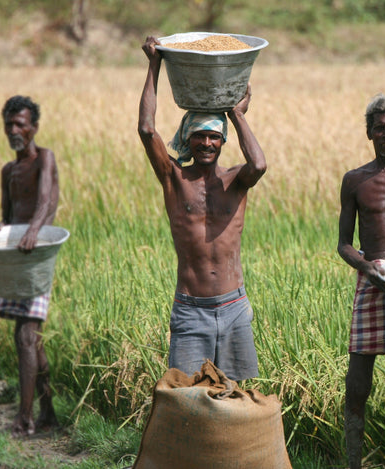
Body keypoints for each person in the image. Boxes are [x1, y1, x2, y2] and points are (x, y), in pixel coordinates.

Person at [138, 36, 266, 382]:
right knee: (187, 399)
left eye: (214, 136)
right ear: (188, 140)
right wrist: (155, 64)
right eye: (199, 135)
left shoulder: (236, 180)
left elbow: (259, 164)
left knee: (236, 397)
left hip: (234, 307)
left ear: (223, 142)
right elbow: (146, 129)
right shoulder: (175, 179)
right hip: (191, 311)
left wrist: (236, 115)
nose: (207, 143)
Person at [337, 93, 385, 468]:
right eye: (380, 128)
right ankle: (353, 461)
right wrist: (365, 266)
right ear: (368, 134)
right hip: (374, 279)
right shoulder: (355, 180)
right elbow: (344, 244)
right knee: (358, 378)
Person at [0, 95, 60, 437]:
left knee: (25, 335)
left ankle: (25, 418)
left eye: (20, 124)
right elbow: (8, 215)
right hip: (15, 257)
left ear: (34, 128)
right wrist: (1, 229)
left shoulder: (43, 159)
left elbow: (47, 200)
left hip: (38, 255)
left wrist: (34, 231)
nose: (14, 130)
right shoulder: (9, 170)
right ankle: (48, 409)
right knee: (32, 340)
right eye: (9, 124)